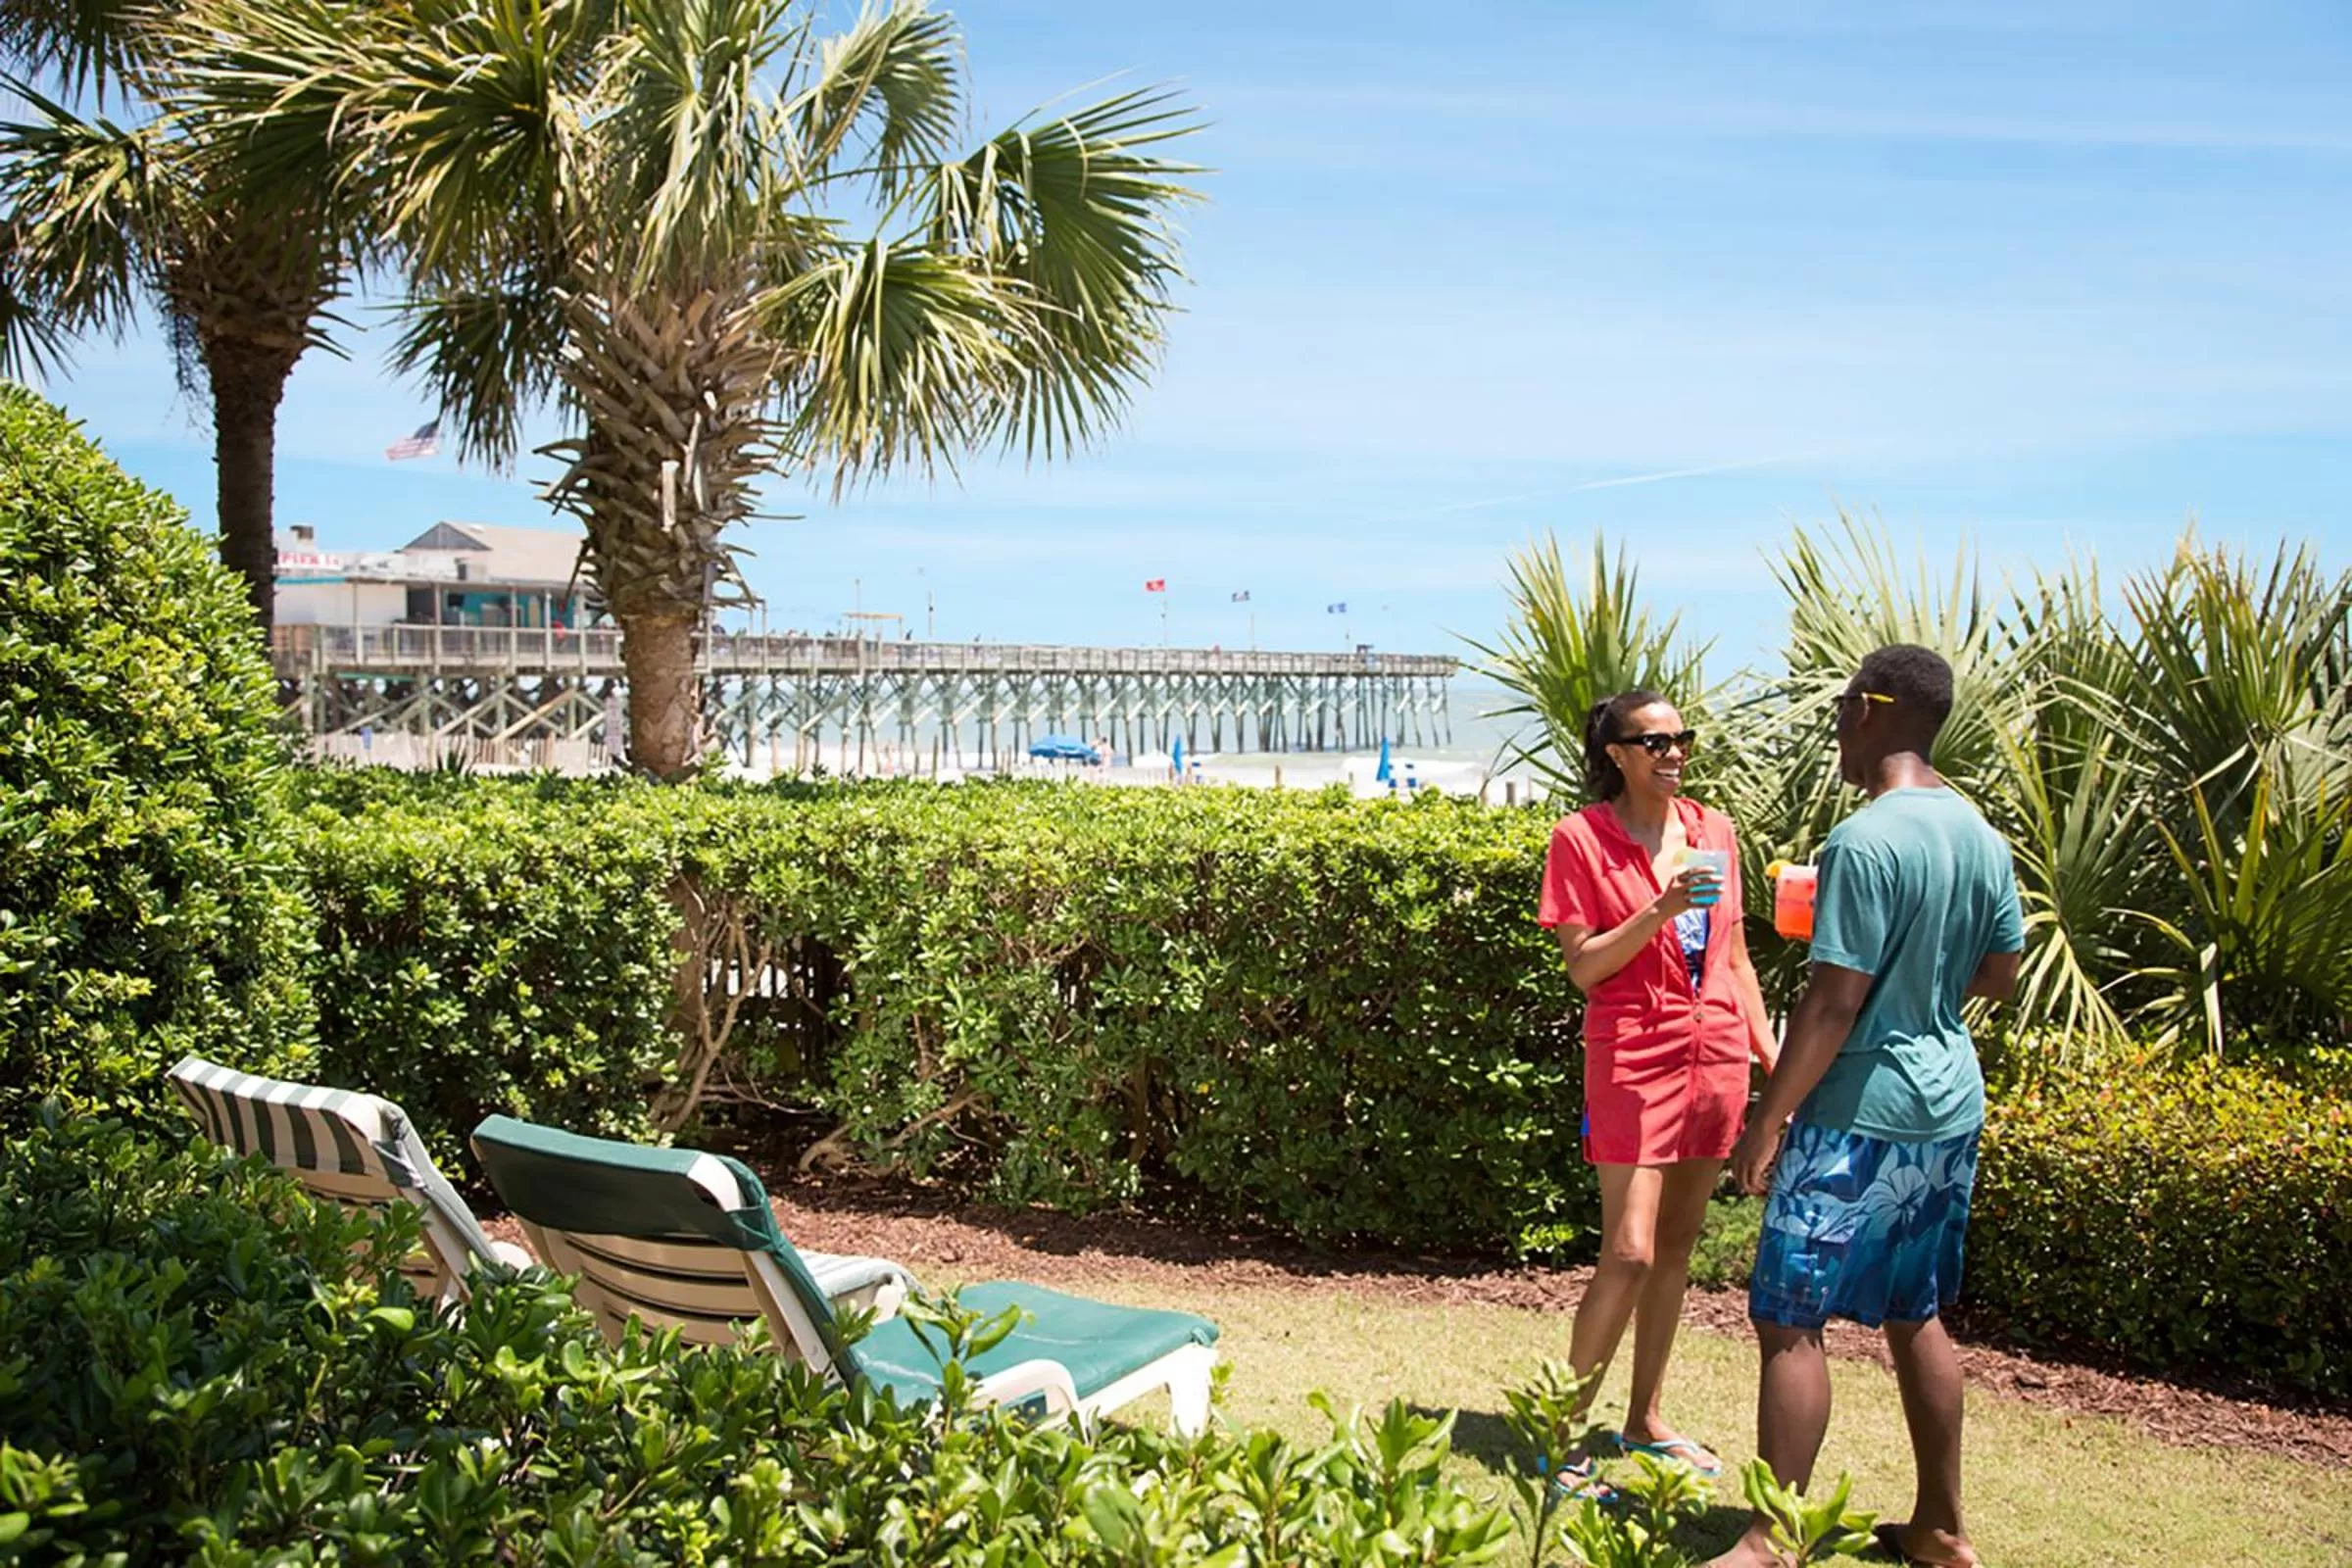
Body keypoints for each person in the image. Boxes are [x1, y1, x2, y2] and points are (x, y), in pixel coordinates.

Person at [1708, 646, 2024, 1568]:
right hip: (1947, 1101)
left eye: (1844, 706)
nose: (1837, 725)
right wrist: (1919, 970)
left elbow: (1832, 1002)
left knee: (1791, 1318)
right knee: (1913, 1311)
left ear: (1872, 711)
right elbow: (2000, 977)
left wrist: (1768, 1119)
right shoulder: (1979, 834)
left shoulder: (1863, 840)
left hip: (1860, 1110)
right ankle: (1939, 1528)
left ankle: (1769, 1541)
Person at [1539, 689, 1779, 1498]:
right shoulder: (1581, 839)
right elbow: (1585, 966)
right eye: (1655, 741)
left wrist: (1773, 1059)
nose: (1673, 752)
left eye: (1682, 739)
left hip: (1714, 1056)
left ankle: (1643, 1417)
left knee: (1676, 1249)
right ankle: (1558, 1433)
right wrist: (1662, 906)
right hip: (1633, 1054)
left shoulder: (1716, 832)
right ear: (1616, 753)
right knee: (1630, 1250)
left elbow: (1738, 957)